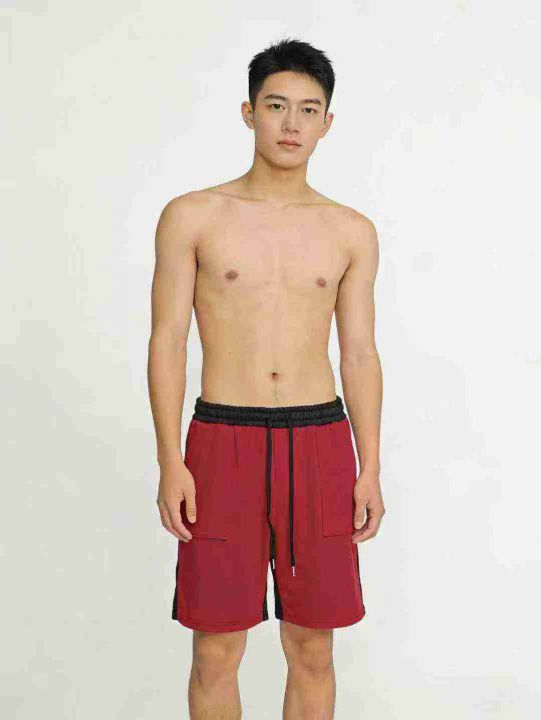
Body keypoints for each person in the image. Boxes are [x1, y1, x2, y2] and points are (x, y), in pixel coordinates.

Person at [147, 36, 385, 720]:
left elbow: (359, 354)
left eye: (308, 110)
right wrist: (170, 459)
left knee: (312, 646)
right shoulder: (193, 215)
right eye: (276, 106)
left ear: (327, 123)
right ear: (248, 112)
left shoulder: (350, 230)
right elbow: (167, 340)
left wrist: (368, 466)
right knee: (215, 649)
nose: (291, 124)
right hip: (223, 438)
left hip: (319, 439)